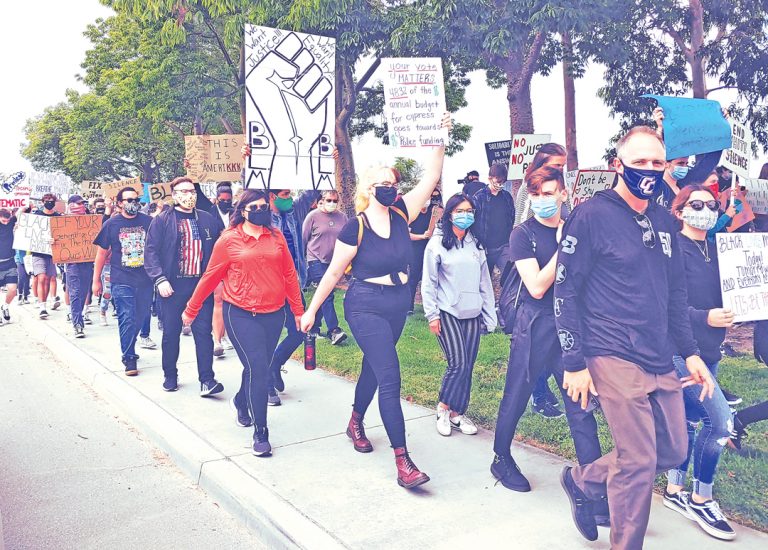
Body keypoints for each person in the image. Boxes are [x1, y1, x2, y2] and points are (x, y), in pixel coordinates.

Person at [555, 126, 715, 549]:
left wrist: (691, 353)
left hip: (658, 353)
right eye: (638, 161)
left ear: (666, 168)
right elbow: (565, 289)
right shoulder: (590, 215)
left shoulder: (664, 220)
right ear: (617, 165)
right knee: (640, 462)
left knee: (672, 449)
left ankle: (583, 479)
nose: (647, 169)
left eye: (656, 162)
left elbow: (675, 295)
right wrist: (574, 362)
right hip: (609, 350)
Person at [300, 112, 451, 489]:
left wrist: (441, 137)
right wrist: (311, 311)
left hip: (397, 305)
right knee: (390, 375)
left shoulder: (403, 213)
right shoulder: (357, 226)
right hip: (364, 304)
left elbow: (431, 176)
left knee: (373, 366)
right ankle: (404, 462)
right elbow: (334, 273)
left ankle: (354, 421)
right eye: (380, 183)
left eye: (392, 182)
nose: (388, 187)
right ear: (368, 189)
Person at [491, 166, 603, 499]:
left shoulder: (577, 230)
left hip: (570, 327)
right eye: (536, 194)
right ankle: (501, 457)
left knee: (579, 403)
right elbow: (538, 286)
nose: (543, 200)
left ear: (563, 194)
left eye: (549, 193)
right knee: (518, 392)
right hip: (535, 323)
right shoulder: (522, 235)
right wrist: (564, 247)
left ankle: (593, 482)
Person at [182, 189, 304, 457]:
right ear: (242, 210)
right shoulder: (229, 240)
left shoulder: (277, 237)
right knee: (259, 368)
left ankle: (240, 400)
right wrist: (191, 309)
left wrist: (298, 310)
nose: (261, 210)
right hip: (240, 314)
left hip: (273, 314)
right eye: (254, 207)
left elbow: (289, 275)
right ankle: (261, 432)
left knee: (255, 367)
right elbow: (211, 277)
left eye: (264, 206)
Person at [661, 185, 736, 540]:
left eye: (710, 204)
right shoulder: (672, 250)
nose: (704, 209)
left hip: (710, 351)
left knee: (689, 419)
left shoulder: (718, 248)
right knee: (720, 423)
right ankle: (701, 497)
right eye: (696, 204)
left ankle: (674, 490)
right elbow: (667, 305)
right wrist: (706, 317)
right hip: (680, 352)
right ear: (679, 210)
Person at [421, 193, 496, 437]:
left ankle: (457, 413)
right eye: (460, 211)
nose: (465, 215)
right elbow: (429, 283)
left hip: (472, 312)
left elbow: (485, 282)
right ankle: (443, 408)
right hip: (447, 311)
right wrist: (432, 315)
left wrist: (489, 314)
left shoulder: (477, 244)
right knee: (458, 363)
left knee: (468, 365)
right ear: (450, 214)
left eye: (469, 211)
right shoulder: (437, 243)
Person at [144, 177, 224, 396]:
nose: (189, 195)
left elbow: (221, 247)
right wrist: (159, 279)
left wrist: (218, 279)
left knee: (203, 332)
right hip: (172, 286)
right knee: (171, 332)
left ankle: (207, 379)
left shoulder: (208, 219)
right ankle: (170, 375)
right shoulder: (162, 220)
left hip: (200, 286)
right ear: (174, 194)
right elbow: (150, 252)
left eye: (192, 190)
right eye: (183, 191)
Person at [92, 187, 154, 376]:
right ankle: (129, 358)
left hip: (145, 279)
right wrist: (96, 281)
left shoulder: (148, 222)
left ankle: (130, 343)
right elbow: (101, 253)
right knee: (126, 317)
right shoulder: (112, 224)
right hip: (121, 279)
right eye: (128, 200)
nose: (132, 203)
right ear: (119, 203)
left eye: (135, 199)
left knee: (141, 316)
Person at [651, 106, 723, 210]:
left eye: (686, 163)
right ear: (666, 163)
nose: (684, 167)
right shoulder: (654, 184)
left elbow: (709, 163)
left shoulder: (685, 184)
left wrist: (720, 127)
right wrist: (660, 128)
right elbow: (654, 153)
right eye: (680, 163)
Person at [302, 189, 348, 344]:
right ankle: (334, 330)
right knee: (327, 294)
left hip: (334, 262)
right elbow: (303, 239)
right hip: (314, 259)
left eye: (335, 200)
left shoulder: (342, 217)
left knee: (323, 294)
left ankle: (313, 328)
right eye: (329, 200)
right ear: (321, 201)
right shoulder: (312, 217)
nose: (332, 203)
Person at [472, 165, 515, 277]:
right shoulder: (479, 197)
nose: (500, 184)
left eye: (503, 182)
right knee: (483, 280)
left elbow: (512, 217)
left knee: (509, 277)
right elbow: (474, 222)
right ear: (490, 178)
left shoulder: (507, 196)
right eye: (498, 181)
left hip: (504, 245)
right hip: (486, 247)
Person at [62, 195, 94, 339]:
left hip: (88, 262)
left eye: (83, 203)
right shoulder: (62, 221)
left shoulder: (91, 220)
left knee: (83, 293)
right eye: (78, 203)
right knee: (74, 293)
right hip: (72, 263)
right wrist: (52, 240)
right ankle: (77, 324)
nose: (81, 206)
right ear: (71, 205)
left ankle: (78, 315)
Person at [209, 184, 235, 356]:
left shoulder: (237, 213)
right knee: (218, 299)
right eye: (222, 200)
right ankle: (217, 340)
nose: (225, 202)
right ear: (217, 199)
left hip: (234, 261)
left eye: (228, 200)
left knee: (229, 301)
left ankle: (223, 333)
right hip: (215, 259)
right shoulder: (208, 212)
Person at [513, 143, 566, 226]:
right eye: (557, 165)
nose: (561, 169)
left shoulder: (564, 188)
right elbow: (519, 221)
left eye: (563, 165)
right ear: (543, 164)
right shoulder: (527, 188)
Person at [407, 188, 442, 314]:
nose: (432, 200)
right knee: (414, 276)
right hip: (416, 247)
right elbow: (406, 234)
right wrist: (422, 236)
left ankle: (436, 306)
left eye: (435, 198)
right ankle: (409, 305)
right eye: (430, 197)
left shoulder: (436, 212)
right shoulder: (413, 213)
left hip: (432, 247)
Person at [30, 193, 62, 318]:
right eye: (47, 200)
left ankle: (45, 302)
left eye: (52, 200)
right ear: (43, 202)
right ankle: (42, 306)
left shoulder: (58, 217)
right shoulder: (36, 216)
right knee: (41, 278)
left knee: (49, 279)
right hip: (38, 252)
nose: (49, 202)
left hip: (52, 253)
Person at [0, 208, 19, 325]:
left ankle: (5, 306)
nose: (6, 223)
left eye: (7, 221)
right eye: (3, 221)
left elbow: (23, 210)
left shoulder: (12, 222)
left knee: (12, 289)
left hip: (10, 262)